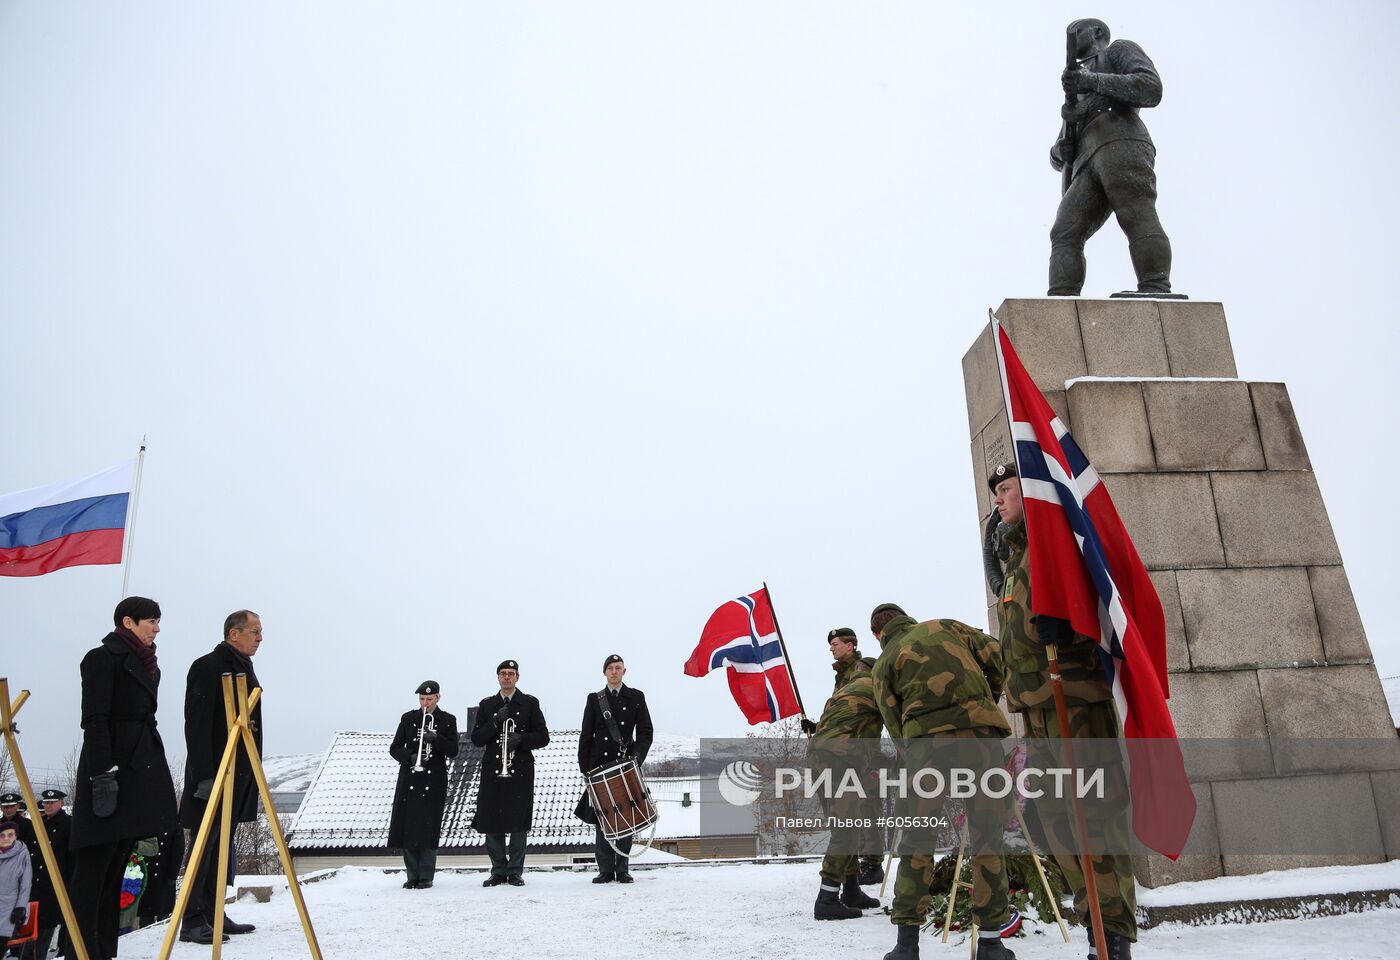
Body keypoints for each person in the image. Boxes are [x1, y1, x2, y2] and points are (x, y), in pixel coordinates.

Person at [990, 463, 1137, 960]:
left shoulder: (1061, 547)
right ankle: (1094, 920)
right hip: (1035, 711)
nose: (997, 499)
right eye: (995, 492)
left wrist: (1069, 627)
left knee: (1092, 816)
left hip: (1072, 702)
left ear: (1030, 493)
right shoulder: (1018, 560)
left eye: (1006, 488)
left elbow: (1102, 608)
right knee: (1052, 819)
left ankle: (1114, 935)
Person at [870, 603, 1015, 960]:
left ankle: (906, 947)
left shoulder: (885, 661)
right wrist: (986, 703)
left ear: (878, 634)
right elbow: (997, 654)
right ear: (908, 618)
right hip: (981, 738)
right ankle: (992, 945)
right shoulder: (946, 625)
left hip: (926, 746)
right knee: (987, 838)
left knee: (917, 839)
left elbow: (894, 724)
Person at [68, 597, 180, 960]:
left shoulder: (151, 666)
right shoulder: (101, 659)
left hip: (138, 771)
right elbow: (94, 719)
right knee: (93, 870)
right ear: (128, 621)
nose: (158, 628)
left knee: (117, 864)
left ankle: (103, 950)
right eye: (152, 621)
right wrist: (102, 774)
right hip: (111, 771)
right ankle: (81, 950)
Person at [1048, 18, 1172, 297]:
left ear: (1097, 32)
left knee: (1135, 212)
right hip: (1085, 162)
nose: (1072, 38)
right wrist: (1059, 150)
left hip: (1120, 140)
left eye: (1077, 31)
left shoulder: (1117, 51)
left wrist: (1090, 80)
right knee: (1065, 232)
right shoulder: (1077, 81)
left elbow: (1150, 87)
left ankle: (1156, 286)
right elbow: (1059, 150)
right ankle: (1062, 303)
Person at [177, 609, 265, 945]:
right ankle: (192, 917)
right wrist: (203, 777)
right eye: (254, 631)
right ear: (233, 633)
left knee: (222, 847)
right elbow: (197, 726)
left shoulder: (244, 666)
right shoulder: (209, 666)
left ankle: (214, 911)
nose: (259, 638)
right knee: (204, 845)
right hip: (214, 773)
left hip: (238, 772)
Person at [808, 627, 883, 920]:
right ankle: (826, 900)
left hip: (833, 756)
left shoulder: (859, 676)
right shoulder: (863, 680)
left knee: (849, 823)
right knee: (847, 827)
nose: (831, 648)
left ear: (852, 646)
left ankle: (850, 890)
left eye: (836, 644)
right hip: (841, 758)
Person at [574, 654, 653, 885]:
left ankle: (623, 868)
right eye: (610, 668)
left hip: (625, 764)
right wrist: (585, 768)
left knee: (626, 815)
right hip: (599, 766)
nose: (614, 672)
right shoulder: (595, 699)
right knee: (603, 819)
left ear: (624, 671)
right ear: (605, 672)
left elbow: (646, 732)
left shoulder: (636, 697)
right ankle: (605, 869)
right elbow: (586, 735)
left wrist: (636, 757)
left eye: (618, 668)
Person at [469, 660, 549, 887]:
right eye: (503, 673)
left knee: (518, 823)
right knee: (491, 821)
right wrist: (495, 721)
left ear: (517, 677)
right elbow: (476, 739)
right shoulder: (487, 705)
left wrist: (521, 739)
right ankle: (498, 870)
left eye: (511, 674)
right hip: (493, 770)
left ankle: (515, 871)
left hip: (520, 770)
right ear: (497, 677)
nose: (507, 677)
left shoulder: (530, 703)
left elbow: (543, 737)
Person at [388, 681, 459, 889]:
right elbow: (394, 748)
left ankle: (426, 875)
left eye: (429, 699)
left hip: (434, 779)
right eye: (422, 699)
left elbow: (453, 750)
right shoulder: (409, 718)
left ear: (438, 698)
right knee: (408, 826)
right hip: (410, 778)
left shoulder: (447, 720)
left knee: (428, 827)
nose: (425, 703)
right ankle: (412, 875)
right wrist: (410, 757)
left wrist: (436, 739)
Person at [16, 789, 73, 960]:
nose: (47, 806)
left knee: (44, 931)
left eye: (52, 802)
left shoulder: (68, 825)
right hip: (34, 886)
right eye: (46, 802)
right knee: (28, 933)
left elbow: (71, 858)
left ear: (61, 803)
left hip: (53, 887)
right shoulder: (39, 825)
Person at [0, 822, 32, 945]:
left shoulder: (22, 853)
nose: (6, 838)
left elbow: (26, 884)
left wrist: (21, 907)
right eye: (2, 835)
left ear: (16, 836)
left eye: (10, 835)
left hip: (9, 908)